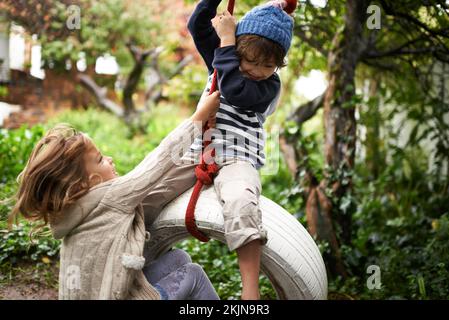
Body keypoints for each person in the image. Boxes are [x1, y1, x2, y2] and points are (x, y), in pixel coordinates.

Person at [9, 92, 221, 300]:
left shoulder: (72, 213)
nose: (109, 159)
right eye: (100, 159)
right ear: (86, 183)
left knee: (178, 259)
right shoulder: (109, 197)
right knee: (193, 275)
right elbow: (157, 163)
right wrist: (198, 118)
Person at [187, 0, 294, 299]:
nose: (259, 70)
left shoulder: (269, 87)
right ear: (238, 50)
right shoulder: (224, 58)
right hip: (197, 148)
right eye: (252, 61)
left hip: (237, 158)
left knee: (242, 203)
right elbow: (197, 25)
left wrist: (227, 40)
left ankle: (250, 292)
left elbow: (234, 89)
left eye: (269, 64)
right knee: (150, 188)